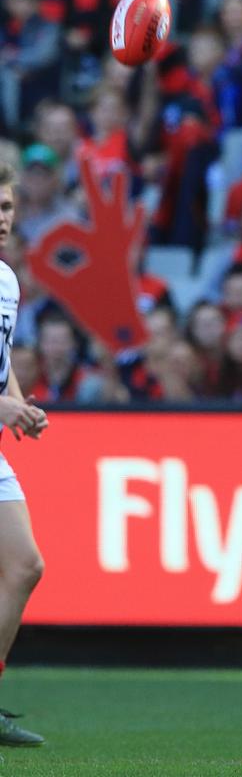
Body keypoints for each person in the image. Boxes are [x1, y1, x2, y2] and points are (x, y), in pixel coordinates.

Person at [0, 161, 49, 746]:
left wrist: (16, 405)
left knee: (24, 565)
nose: (2, 219)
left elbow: (2, 363)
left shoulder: (7, 280)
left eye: (7, 208)